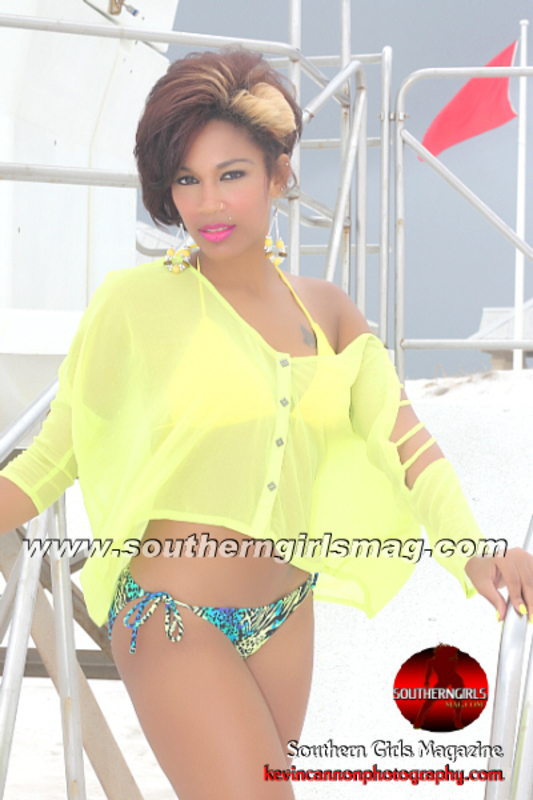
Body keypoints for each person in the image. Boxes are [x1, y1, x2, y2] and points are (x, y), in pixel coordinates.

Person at [0, 47, 532, 800]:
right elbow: (53, 459)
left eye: (231, 175)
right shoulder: (134, 303)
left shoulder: (329, 312)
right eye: (186, 180)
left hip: (285, 615)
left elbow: (406, 444)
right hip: (172, 615)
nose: (207, 204)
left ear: (279, 175)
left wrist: (472, 553)